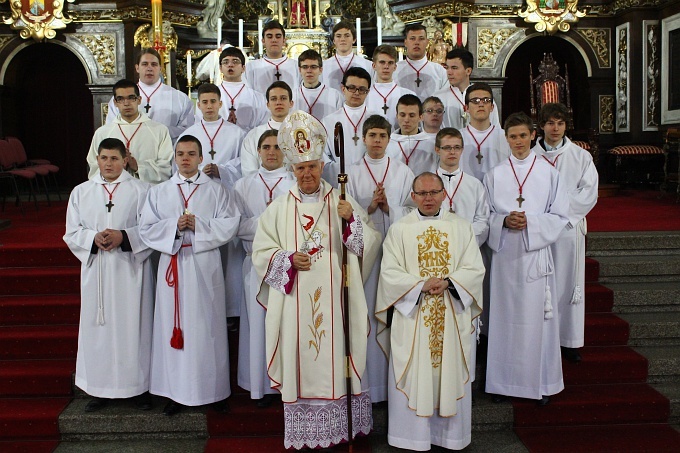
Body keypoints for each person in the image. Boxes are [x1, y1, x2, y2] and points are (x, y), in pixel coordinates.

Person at [252, 111, 381, 449]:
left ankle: (342, 427)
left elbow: (367, 242)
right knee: (301, 361)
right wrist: (286, 259)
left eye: (311, 166)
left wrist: (351, 219)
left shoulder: (341, 201)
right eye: (299, 168)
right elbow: (261, 251)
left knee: (337, 359)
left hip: (337, 302)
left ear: (322, 166)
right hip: (295, 305)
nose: (306, 173)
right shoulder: (279, 208)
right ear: (291, 170)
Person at [376, 172, 484, 451]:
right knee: (415, 369)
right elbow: (389, 273)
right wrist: (419, 285)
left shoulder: (461, 227)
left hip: (451, 311)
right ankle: (412, 437)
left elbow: (475, 268)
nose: (428, 198)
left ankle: (450, 437)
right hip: (414, 316)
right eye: (422, 194)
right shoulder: (400, 229)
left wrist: (449, 283)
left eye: (434, 192)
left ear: (444, 194)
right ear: (412, 197)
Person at [139, 135, 240, 416]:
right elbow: (146, 228)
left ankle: (214, 391)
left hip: (204, 265)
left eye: (191, 154)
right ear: (175, 156)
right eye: (180, 153)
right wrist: (174, 226)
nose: (185, 158)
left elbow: (230, 224)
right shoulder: (160, 192)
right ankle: (175, 392)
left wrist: (200, 225)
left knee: (208, 328)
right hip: (173, 262)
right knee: (174, 326)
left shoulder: (217, 191)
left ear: (200, 158)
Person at [484, 112, 569, 406]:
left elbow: (560, 216)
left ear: (533, 135)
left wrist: (530, 223)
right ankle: (502, 383)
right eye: (512, 136)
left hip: (534, 255)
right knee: (504, 318)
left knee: (537, 320)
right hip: (506, 254)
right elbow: (487, 216)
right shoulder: (495, 174)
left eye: (523, 135)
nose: (518, 141)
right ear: (505, 139)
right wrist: (504, 222)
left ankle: (540, 382)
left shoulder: (549, 173)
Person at [65, 138, 154, 413]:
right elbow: (71, 231)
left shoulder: (143, 190)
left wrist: (124, 236)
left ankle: (139, 387)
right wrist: (93, 237)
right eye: (104, 158)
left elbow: (152, 229)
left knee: (134, 327)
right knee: (99, 330)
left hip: (131, 270)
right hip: (98, 272)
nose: (108, 164)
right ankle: (100, 388)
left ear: (125, 160)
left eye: (114, 158)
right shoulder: (81, 192)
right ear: (97, 159)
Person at [347, 115, 414, 403]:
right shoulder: (349, 173)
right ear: (363, 138)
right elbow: (343, 214)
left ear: (389, 139)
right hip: (365, 257)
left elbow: (415, 212)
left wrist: (391, 208)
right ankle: (368, 385)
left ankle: (392, 385)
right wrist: (368, 207)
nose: (376, 140)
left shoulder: (403, 172)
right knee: (367, 315)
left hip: (396, 255)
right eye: (372, 135)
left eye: (382, 136)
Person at [531, 103, 599, 363]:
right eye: (550, 123)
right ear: (542, 125)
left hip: (568, 229)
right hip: (540, 228)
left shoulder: (581, 156)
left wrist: (562, 216)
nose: (555, 128)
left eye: (560, 123)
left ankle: (568, 341)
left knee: (568, 285)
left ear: (566, 125)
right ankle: (539, 338)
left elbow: (589, 193)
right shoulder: (531, 156)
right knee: (541, 283)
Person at [234, 130, 295, 407]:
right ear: (258, 151)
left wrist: (264, 224)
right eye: (266, 147)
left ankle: (288, 383)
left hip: (288, 266)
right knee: (258, 326)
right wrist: (269, 219)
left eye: (277, 147)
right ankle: (261, 386)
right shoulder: (243, 185)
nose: (271, 152)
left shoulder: (295, 183)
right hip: (256, 266)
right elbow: (236, 227)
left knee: (285, 325)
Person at [434, 128, 490, 383]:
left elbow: (483, 221)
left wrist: (462, 242)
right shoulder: (426, 183)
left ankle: (464, 381)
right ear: (437, 150)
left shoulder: (474, 185)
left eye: (456, 147)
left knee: (463, 321)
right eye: (447, 147)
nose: (452, 152)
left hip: (464, 262)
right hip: (433, 261)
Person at [88, 79, 174, 184]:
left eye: (131, 98)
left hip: (148, 193)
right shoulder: (103, 133)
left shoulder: (159, 130)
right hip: (113, 193)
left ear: (139, 100)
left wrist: (137, 166)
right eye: (120, 99)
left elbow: (165, 169)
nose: (126, 103)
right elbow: (94, 168)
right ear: (115, 103)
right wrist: (116, 166)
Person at [106, 48, 194, 143]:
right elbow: (111, 129)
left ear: (161, 68)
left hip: (167, 152)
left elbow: (188, 130)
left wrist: (159, 131)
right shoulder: (121, 97)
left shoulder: (179, 98)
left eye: (154, 64)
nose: (149, 68)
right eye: (144, 64)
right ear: (137, 68)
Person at [180, 83, 245, 189]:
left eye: (213, 101)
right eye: (205, 102)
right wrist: (200, 171)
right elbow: (180, 163)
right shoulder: (188, 134)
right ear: (199, 105)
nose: (209, 106)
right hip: (198, 189)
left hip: (228, 189)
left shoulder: (237, 133)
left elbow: (243, 162)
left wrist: (221, 171)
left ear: (220, 104)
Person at [322, 67, 381, 181]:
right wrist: (342, 171)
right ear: (343, 88)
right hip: (340, 180)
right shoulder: (329, 121)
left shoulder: (377, 120)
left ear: (368, 92)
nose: (356, 93)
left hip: (371, 178)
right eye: (352, 88)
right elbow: (323, 155)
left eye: (362, 89)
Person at [434, 49, 500, 130]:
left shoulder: (484, 98)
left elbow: (495, 128)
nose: (449, 72)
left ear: (468, 71)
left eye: (454, 68)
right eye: (447, 68)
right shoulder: (438, 98)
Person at [207, 46, 268, 133]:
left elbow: (263, 126)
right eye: (226, 62)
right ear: (220, 68)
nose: (230, 65)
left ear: (243, 68)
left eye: (235, 61)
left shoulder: (257, 97)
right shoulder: (211, 95)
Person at [241, 81, 295, 176]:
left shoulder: (302, 133)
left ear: (291, 103)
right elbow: (249, 172)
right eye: (274, 99)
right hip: (260, 188)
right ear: (268, 105)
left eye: (283, 98)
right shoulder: (253, 135)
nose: (278, 102)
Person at [460, 83, 511, 182]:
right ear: (466, 108)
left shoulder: (505, 137)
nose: (481, 104)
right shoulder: (458, 137)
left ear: (492, 107)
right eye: (475, 101)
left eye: (486, 100)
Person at [386, 94, 438, 176]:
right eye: (402, 115)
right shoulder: (387, 143)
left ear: (421, 117)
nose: (406, 120)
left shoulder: (432, 144)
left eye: (412, 115)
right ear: (397, 116)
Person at [367, 45, 417, 129]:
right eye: (382, 62)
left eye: (390, 63)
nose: (386, 67)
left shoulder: (408, 95)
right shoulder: (365, 95)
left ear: (395, 67)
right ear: (374, 66)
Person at [395, 24, 448, 100]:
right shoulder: (395, 70)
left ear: (427, 42)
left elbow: (445, 99)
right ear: (405, 42)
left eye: (421, 38)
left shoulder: (439, 71)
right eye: (412, 38)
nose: (417, 42)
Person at [245, 20, 299, 95]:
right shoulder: (251, 67)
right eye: (269, 37)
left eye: (278, 36)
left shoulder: (296, 66)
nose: (274, 40)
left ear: (284, 41)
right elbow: (249, 95)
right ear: (263, 41)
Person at [293, 49, 343, 121]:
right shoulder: (293, 95)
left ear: (320, 70)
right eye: (305, 67)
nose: (309, 71)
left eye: (313, 67)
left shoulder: (334, 95)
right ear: (300, 70)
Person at [323, 21, 373, 91]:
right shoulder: (323, 66)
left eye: (347, 36)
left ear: (354, 39)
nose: (343, 39)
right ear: (334, 40)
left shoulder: (368, 65)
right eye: (338, 36)